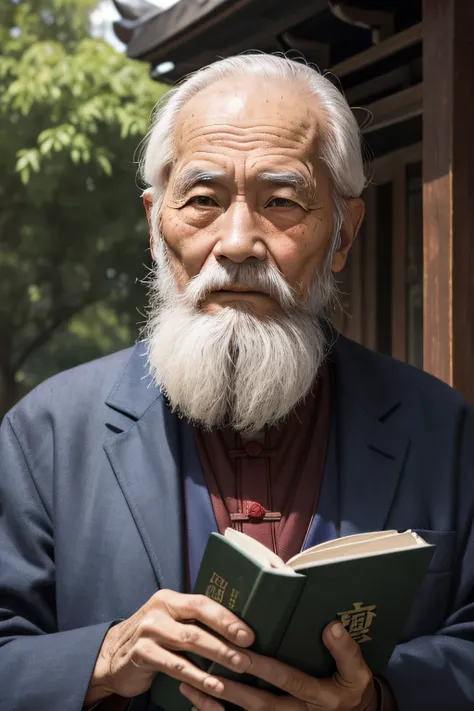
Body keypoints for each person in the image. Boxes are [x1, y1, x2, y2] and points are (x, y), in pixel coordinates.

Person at [0, 54, 473, 711]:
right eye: (203, 200)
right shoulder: (46, 434)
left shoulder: (439, 427)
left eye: (282, 201)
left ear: (343, 233)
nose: (238, 241)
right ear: (154, 225)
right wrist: (105, 657)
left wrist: (379, 698)